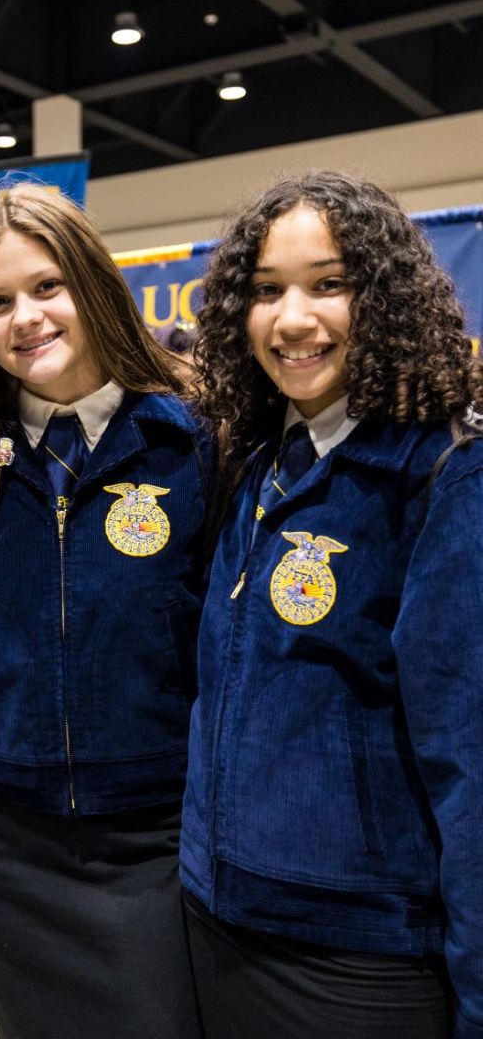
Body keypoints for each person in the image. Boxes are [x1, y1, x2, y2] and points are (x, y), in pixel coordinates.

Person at [182, 170, 483, 1039]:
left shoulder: (442, 475)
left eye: (329, 284)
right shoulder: (260, 465)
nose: (293, 319)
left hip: (359, 959)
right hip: (218, 924)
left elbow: (469, 764)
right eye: (268, 291)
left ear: (383, 298)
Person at [0, 184, 212, 1038]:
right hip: (9, 841)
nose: (26, 318)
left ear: (92, 284)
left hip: (155, 836)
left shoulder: (192, 441)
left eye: (47, 287)